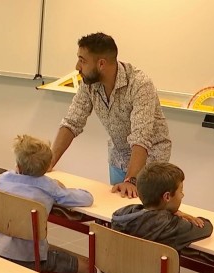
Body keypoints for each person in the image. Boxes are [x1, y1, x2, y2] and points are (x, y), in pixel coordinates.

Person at [49, 32, 171, 199]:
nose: (77, 66)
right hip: (119, 157)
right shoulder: (89, 83)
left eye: (82, 61)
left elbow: (141, 138)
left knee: (144, 219)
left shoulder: (140, 84)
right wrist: (48, 163)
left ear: (101, 64)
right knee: (116, 215)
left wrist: (132, 180)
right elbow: (72, 121)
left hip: (151, 163)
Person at [0, 134, 93, 273]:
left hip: (0, 250)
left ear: (18, 166)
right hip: (32, 258)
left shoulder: (4, 179)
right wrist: (60, 187)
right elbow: (87, 199)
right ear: (48, 167)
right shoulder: (49, 187)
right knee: (89, 268)